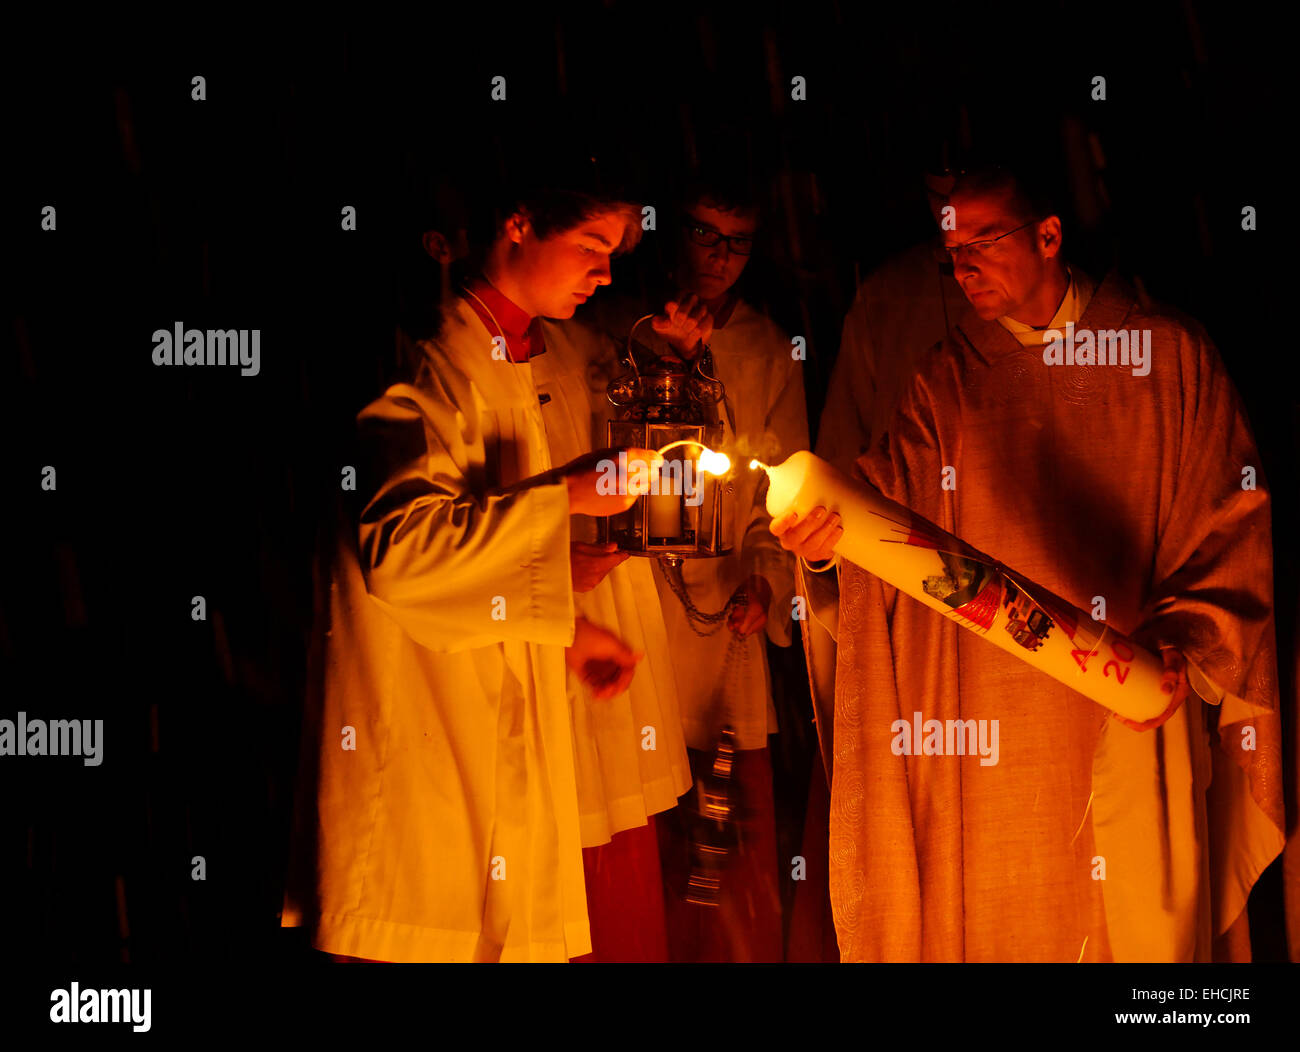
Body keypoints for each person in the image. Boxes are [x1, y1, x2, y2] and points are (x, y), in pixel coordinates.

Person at [775, 164, 1283, 962]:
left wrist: (1180, 647)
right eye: (953, 250)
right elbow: (886, 516)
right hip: (992, 738)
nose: (963, 266)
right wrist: (826, 548)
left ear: (1049, 236)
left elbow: (1233, 526)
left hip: (1135, 708)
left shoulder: (1167, 357)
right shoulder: (948, 382)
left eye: (984, 241)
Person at [281, 174, 665, 962]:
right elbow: (400, 551)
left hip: (482, 745)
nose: (606, 274)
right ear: (518, 224)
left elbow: (480, 545)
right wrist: (566, 495)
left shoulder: (510, 359)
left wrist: (566, 632)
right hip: (417, 755)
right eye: (592, 246)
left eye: (615, 253)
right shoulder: (428, 359)